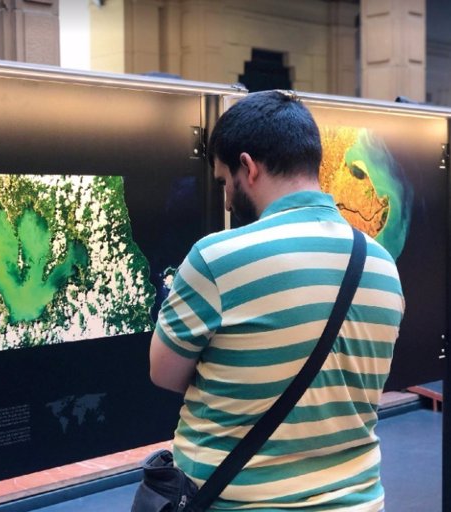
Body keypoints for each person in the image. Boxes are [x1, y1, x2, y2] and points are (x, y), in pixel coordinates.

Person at [149, 90, 404, 511]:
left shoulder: (215, 259)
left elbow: (164, 373)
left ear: (247, 167)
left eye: (223, 181)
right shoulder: (381, 265)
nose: (226, 198)